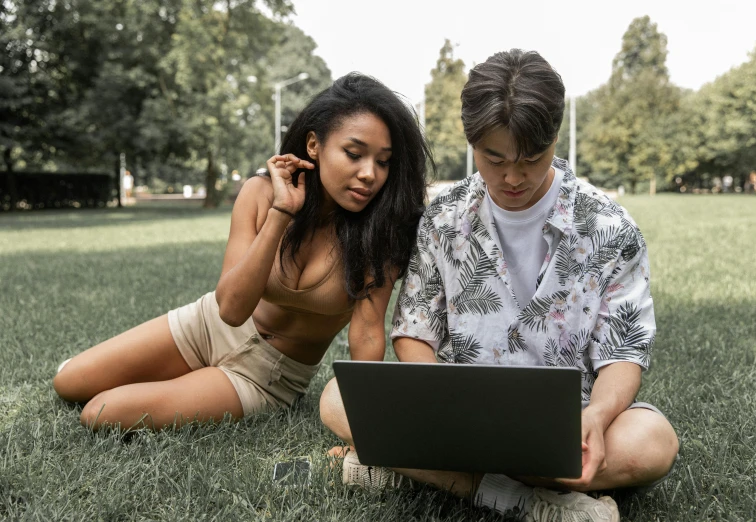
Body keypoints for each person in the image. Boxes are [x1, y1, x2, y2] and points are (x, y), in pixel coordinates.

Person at [320, 50, 679, 521]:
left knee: (654, 443)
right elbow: (415, 331)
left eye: (532, 158)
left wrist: (596, 417)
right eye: (494, 158)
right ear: (472, 143)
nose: (512, 177)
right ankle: (518, 497)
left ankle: (411, 469)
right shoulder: (443, 218)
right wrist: (434, 399)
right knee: (336, 399)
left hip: (568, 424)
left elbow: (623, 355)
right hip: (457, 416)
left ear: (555, 137)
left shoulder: (611, 226)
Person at [53, 73, 431, 430]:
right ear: (314, 145)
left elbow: (366, 335)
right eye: (354, 154)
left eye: (383, 162)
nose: (370, 173)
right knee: (68, 383)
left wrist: (363, 427)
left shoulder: (383, 232)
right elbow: (231, 310)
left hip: (267, 376)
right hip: (206, 327)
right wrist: (282, 212)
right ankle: (179, 378)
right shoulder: (261, 192)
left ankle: (192, 385)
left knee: (101, 412)